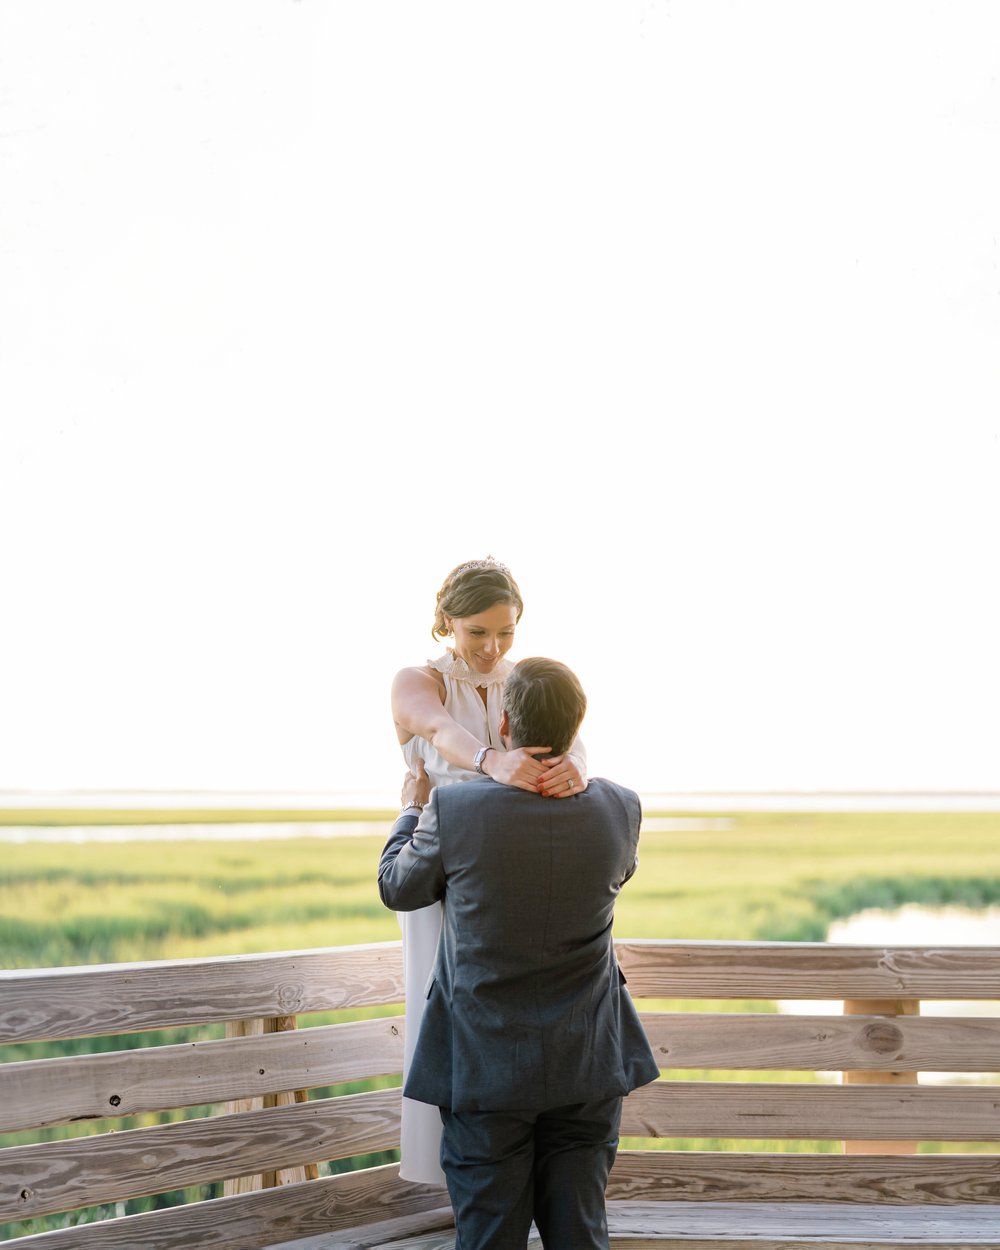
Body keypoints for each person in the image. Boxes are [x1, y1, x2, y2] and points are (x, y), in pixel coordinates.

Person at [379, 658, 659, 1249]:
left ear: (503, 723)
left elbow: (398, 888)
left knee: (488, 1238)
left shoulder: (455, 811)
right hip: (588, 1061)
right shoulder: (620, 808)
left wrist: (410, 806)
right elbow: (617, 874)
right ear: (576, 726)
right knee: (580, 1234)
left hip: (485, 1067)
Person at [391, 558, 587, 1186]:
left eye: (505, 633)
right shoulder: (418, 682)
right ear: (447, 620)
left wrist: (575, 769)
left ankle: (515, 1172)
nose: (492, 648)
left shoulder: (524, 680)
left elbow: (571, 735)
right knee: (442, 1008)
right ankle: (459, 1175)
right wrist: (489, 761)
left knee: (521, 1011)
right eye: (478, 632)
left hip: (518, 875)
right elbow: (436, 729)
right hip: (439, 868)